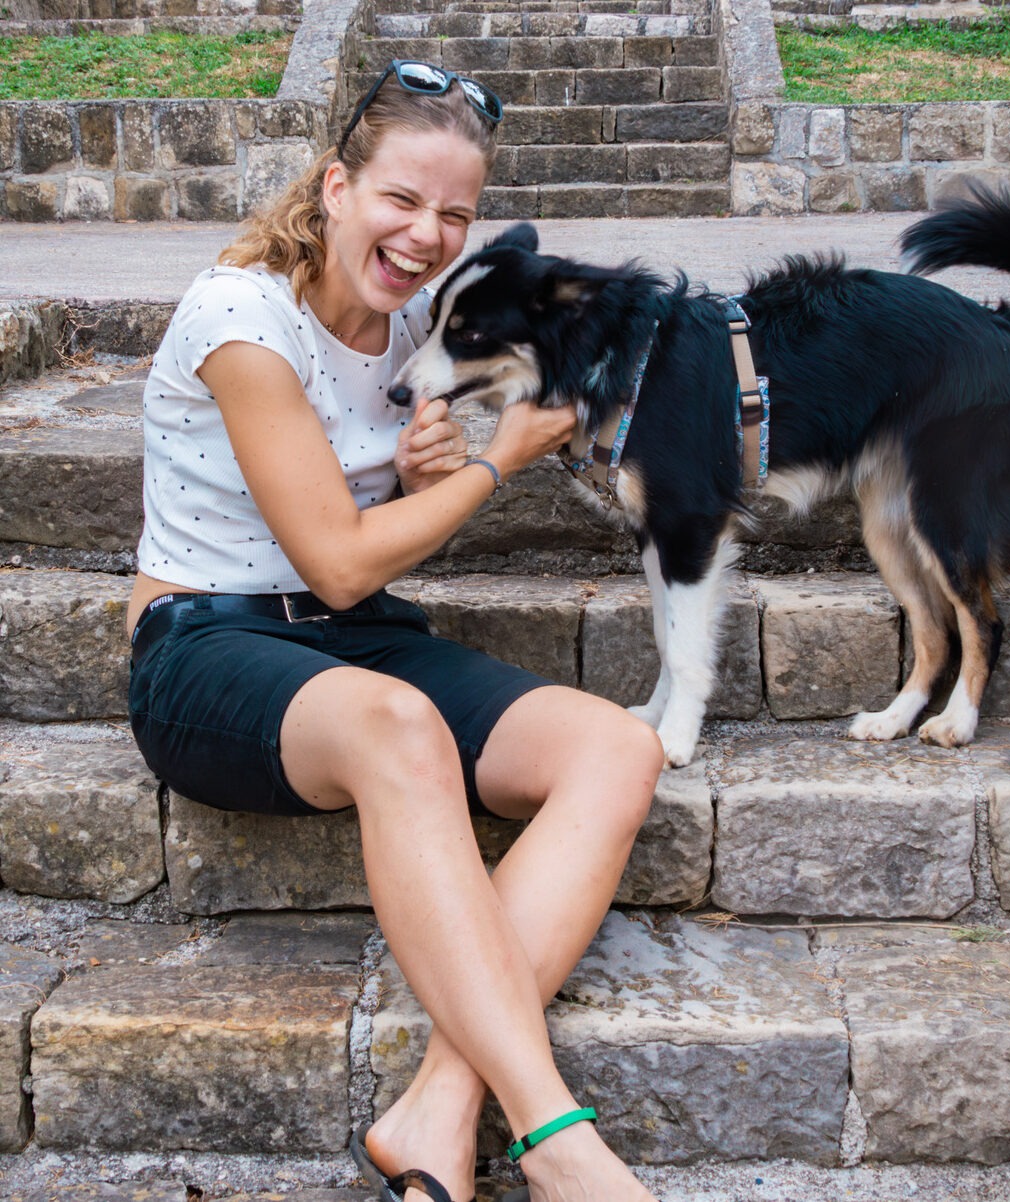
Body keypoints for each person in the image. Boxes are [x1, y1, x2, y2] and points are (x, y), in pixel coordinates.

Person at [125, 60, 665, 1202]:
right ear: (336, 186)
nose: (427, 236)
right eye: (402, 200)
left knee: (617, 748)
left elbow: (586, 352)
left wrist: (435, 467)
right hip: (204, 647)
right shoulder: (240, 319)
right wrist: (491, 467)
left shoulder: (423, 324)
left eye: (455, 214)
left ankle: (438, 1108)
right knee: (400, 724)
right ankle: (557, 1136)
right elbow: (334, 556)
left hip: (353, 639)